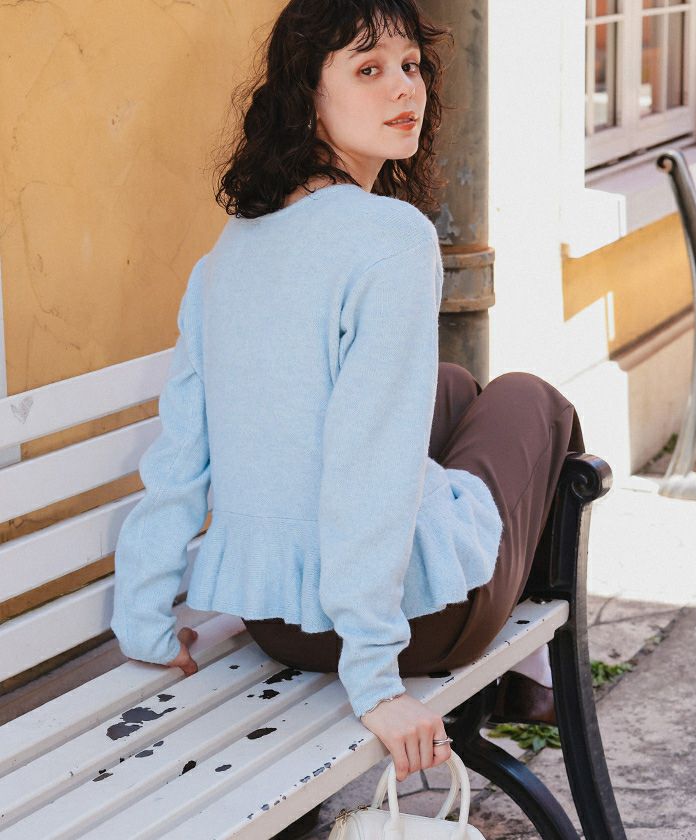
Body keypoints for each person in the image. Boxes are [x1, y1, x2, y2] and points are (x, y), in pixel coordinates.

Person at [110, 0, 585, 805]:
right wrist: (376, 681)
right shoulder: (391, 238)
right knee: (527, 399)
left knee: (450, 387)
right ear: (308, 96)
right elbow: (368, 464)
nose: (405, 88)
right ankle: (538, 676)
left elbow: (181, 457)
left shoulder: (223, 258)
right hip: (412, 626)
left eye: (410, 65)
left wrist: (147, 625)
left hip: (277, 622)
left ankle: (527, 678)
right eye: (369, 69)